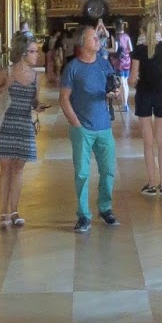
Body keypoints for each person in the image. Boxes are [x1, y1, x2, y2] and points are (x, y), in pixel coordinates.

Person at [59, 25, 120, 233]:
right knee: (83, 174)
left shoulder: (105, 65)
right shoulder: (73, 68)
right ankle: (84, 215)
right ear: (83, 42)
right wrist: (75, 122)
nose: (98, 40)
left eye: (98, 38)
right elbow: (64, 98)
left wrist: (115, 94)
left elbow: (114, 89)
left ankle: (105, 207)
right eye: (94, 38)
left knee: (108, 170)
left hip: (104, 126)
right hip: (82, 128)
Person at [0, 33, 46, 230]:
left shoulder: (35, 76)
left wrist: (37, 106)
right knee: (5, 168)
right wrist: (5, 86)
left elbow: (33, 100)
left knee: (19, 168)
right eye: (33, 51)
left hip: (24, 124)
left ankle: (14, 210)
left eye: (36, 51)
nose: (37, 55)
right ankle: (2, 210)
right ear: (22, 53)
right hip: (6, 124)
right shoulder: (7, 72)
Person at [134, 18, 162, 195]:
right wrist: (161, 28)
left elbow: (132, 77)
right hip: (161, 94)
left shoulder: (139, 50)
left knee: (148, 142)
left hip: (144, 94)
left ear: (142, 30)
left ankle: (151, 183)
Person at [110, 18, 133, 110]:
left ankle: (124, 104)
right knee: (125, 83)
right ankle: (125, 103)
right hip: (127, 59)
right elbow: (131, 49)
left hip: (119, 61)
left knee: (122, 82)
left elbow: (114, 49)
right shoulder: (127, 36)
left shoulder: (115, 37)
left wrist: (106, 50)